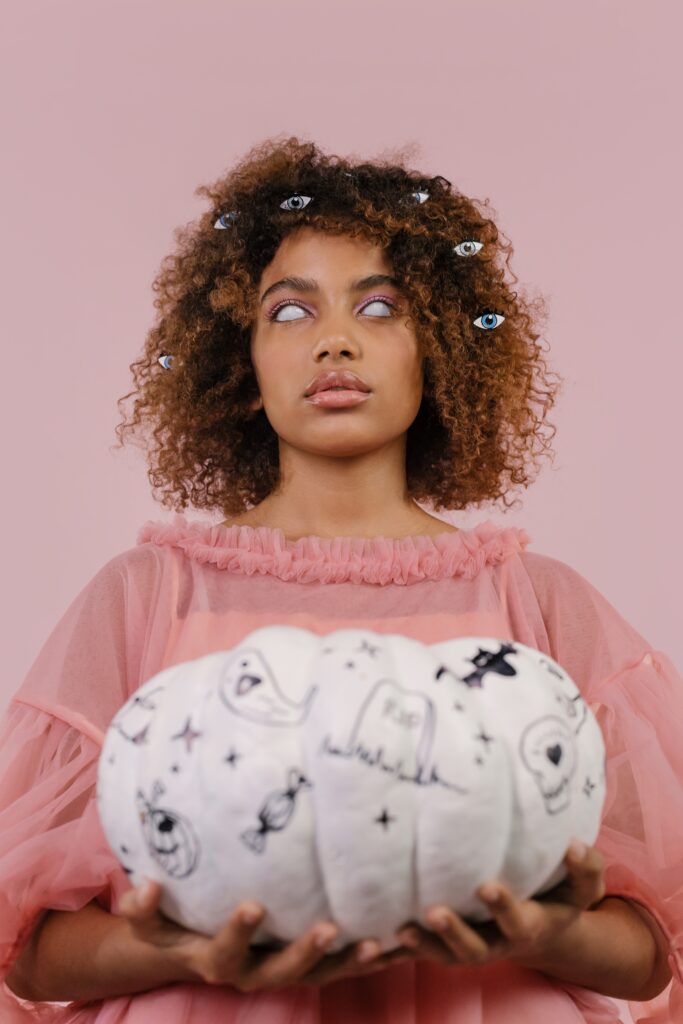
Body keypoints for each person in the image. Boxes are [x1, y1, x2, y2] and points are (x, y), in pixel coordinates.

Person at [1, 135, 681, 1024]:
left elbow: (650, 959)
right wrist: (183, 947)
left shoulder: (537, 601)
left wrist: (543, 932)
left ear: (437, 349)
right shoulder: (146, 595)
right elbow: (29, 957)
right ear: (239, 363)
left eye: (380, 307)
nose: (333, 341)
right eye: (289, 313)